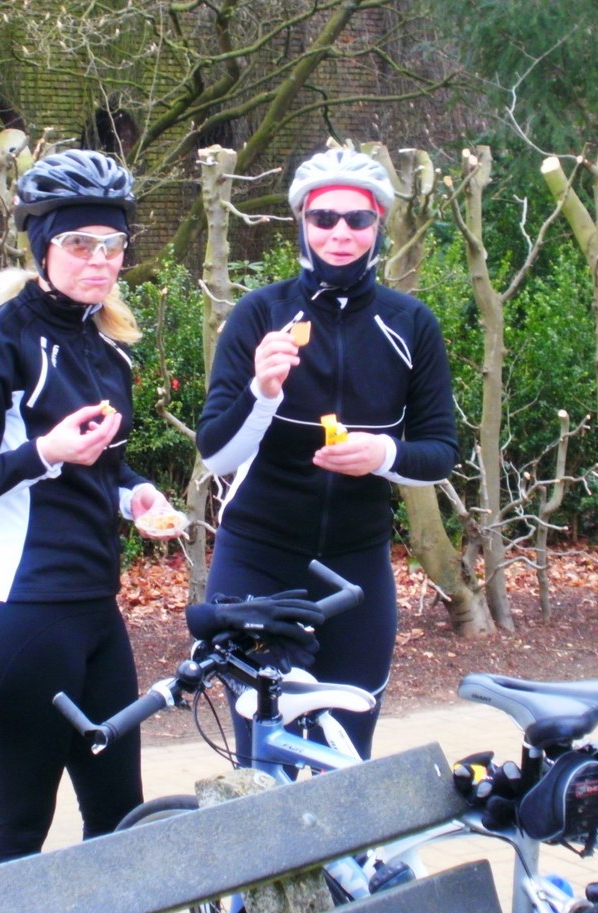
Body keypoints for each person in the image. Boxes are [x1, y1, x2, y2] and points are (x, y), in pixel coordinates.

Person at [0, 148, 170, 913]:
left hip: (95, 614)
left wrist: (136, 495)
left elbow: (104, 465)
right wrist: (44, 452)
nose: (100, 262)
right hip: (18, 618)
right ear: (41, 248)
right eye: (80, 245)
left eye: (113, 246)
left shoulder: (107, 349)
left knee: (120, 816)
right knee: (22, 825)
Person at [196, 145, 459, 761]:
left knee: (348, 750)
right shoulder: (261, 314)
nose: (340, 233)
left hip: (355, 565)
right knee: (263, 753)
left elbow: (440, 450)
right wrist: (262, 391)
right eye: (324, 217)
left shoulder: (410, 323)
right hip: (258, 558)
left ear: (378, 225)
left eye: (357, 219)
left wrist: (383, 454)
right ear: (303, 223)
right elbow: (217, 455)